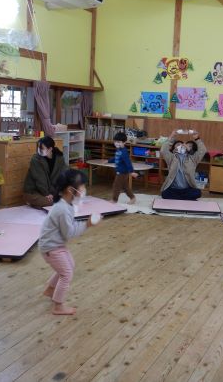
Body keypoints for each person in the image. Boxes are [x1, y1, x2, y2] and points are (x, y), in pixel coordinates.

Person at [39, 169, 100, 315]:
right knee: (66, 274)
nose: (84, 190)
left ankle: (50, 290)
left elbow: (68, 229)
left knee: (69, 266)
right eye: (82, 187)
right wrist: (87, 224)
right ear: (70, 190)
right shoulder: (62, 209)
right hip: (51, 247)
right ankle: (58, 306)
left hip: (56, 245)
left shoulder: (67, 205)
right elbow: (69, 233)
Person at [160, 130, 206, 200]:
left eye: (184, 145)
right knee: (164, 194)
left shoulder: (193, 158)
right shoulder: (171, 157)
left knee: (197, 193)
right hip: (173, 189)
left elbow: (202, 150)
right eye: (178, 145)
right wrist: (171, 136)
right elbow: (163, 150)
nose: (181, 146)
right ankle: (184, 199)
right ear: (174, 148)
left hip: (187, 189)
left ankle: (178, 198)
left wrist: (197, 138)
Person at [23, 136, 67, 208]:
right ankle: (33, 202)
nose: (39, 150)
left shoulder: (59, 158)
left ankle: (37, 204)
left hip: (52, 191)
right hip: (34, 192)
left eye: (41, 148)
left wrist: (56, 193)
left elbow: (63, 175)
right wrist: (47, 194)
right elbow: (40, 180)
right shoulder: (36, 159)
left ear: (50, 149)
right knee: (53, 201)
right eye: (38, 147)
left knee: (65, 199)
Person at [107, 132, 138, 204]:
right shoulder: (119, 150)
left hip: (122, 172)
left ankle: (114, 200)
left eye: (119, 142)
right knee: (125, 186)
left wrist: (132, 172)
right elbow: (116, 157)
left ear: (124, 142)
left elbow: (128, 162)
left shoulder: (124, 152)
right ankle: (132, 198)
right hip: (120, 172)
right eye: (115, 142)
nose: (116, 144)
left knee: (116, 185)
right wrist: (109, 160)